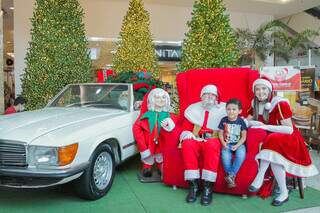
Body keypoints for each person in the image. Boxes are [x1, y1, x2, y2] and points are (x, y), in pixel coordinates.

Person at [247, 78, 318, 206]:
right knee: (273, 146)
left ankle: (261, 175)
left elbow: (288, 129)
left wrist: (264, 126)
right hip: (274, 141)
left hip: (290, 139)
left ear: (269, 90)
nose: (260, 92)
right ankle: (283, 193)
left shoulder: (280, 103)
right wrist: (254, 122)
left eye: (263, 88)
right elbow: (246, 121)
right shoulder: (255, 104)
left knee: (272, 139)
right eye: (257, 89)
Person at [179, 85, 226, 206]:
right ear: (201, 96)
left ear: (216, 97)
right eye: (206, 94)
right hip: (196, 137)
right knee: (187, 143)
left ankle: (207, 188)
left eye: (212, 94)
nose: (209, 96)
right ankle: (193, 186)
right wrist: (187, 133)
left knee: (212, 144)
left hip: (214, 138)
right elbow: (185, 127)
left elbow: (234, 121)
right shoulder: (192, 109)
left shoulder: (224, 109)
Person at [133, 88, 176, 178]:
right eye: (158, 98)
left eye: (163, 97)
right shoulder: (146, 115)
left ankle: (161, 166)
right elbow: (136, 128)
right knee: (148, 155)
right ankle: (147, 167)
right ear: (152, 99)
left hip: (162, 142)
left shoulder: (169, 115)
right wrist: (142, 145)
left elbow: (175, 128)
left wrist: (169, 124)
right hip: (148, 142)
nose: (161, 100)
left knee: (161, 155)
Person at [218, 98, 247, 188]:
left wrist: (238, 145)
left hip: (239, 144)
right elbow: (220, 133)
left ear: (239, 111)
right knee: (225, 157)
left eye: (234, 109)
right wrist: (223, 143)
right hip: (227, 144)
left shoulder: (241, 121)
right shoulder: (224, 120)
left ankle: (231, 175)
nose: (231, 111)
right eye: (229, 109)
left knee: (241, 154)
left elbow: (244, 136)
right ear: (226, 110)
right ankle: (231, 178)